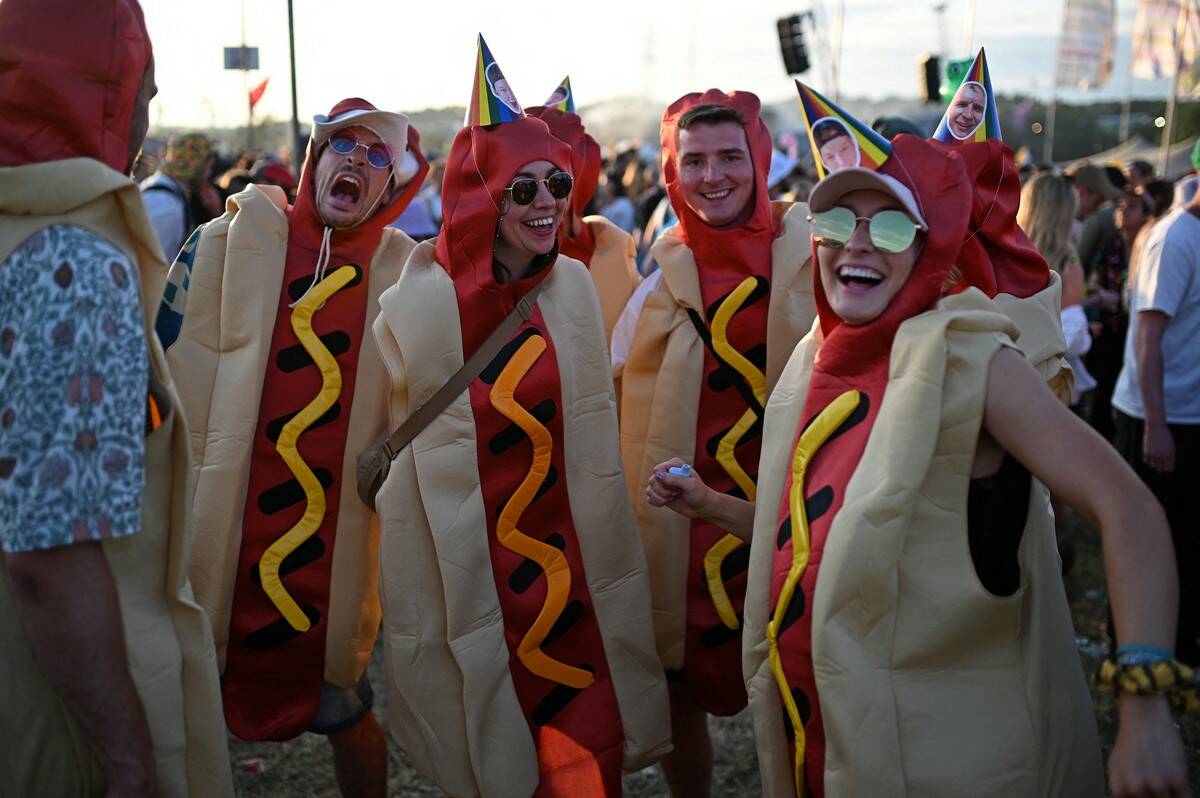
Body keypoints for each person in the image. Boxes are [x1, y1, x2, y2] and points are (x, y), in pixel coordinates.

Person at [648, 133, 1189, 798]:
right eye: (837, 221)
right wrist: (711, 505)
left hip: (953, 765)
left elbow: (1129, 508)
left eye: (893, 226)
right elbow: (817, 538)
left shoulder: (973, 360)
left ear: (931, 245)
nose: (858, 244)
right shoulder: (818, 358)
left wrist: (1145, 703)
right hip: (831, 749)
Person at [371, 48, 669, 797]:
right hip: (471, 560)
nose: (547, 203)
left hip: (569, 553)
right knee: (492, 734)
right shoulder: (417, 298)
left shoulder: (571, 285)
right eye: (523, 187)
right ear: (481, 195)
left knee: (586, 731)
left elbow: (593, 424)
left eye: (557, 183)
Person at [158, 98, 429, 798]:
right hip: (223, 529)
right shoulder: (229, 241)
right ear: (315, 158)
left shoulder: (407, 276)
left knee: (346, 709)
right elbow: (167, 346)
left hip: (331, 555)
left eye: (378, 154)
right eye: (344, 144)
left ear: (390, 185)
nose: (357, 160)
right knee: (183, 707)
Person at [0, 0, 232, 795]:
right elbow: (50, 556)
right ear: (97, 89)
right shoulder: (69, 256)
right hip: (56, 719)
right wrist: (129, 763)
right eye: (144, 85)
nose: (151, 109)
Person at [614, 90, 817, 797]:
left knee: (806, 682)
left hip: (799, 516)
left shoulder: (818, 260)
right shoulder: (656, 286)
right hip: (684, 528)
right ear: (674, 171)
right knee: (679, 684)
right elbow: (610, 389)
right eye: (694, 161)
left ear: (759, 159)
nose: (713, 176)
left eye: (730, 156)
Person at [1112, 190, 1200, 667]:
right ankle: (1137, 655)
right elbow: (1148, 338)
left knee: (1185, 543)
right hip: (1159, 417)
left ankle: (1179, 651)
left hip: (1187, 415)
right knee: (1150, 543)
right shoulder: (1175, 239)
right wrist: (1156, 425)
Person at [527, 103, 640, 343]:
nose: (542, 200)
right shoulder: (501, 260)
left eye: (556, 181)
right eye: (524, 185)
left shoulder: (616, 251)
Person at [141, 131, 221, 260]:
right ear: (195, 165)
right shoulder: (166, 205)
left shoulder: (165, 191)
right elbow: (151, 263)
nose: (209, 174)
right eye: (208, 167)